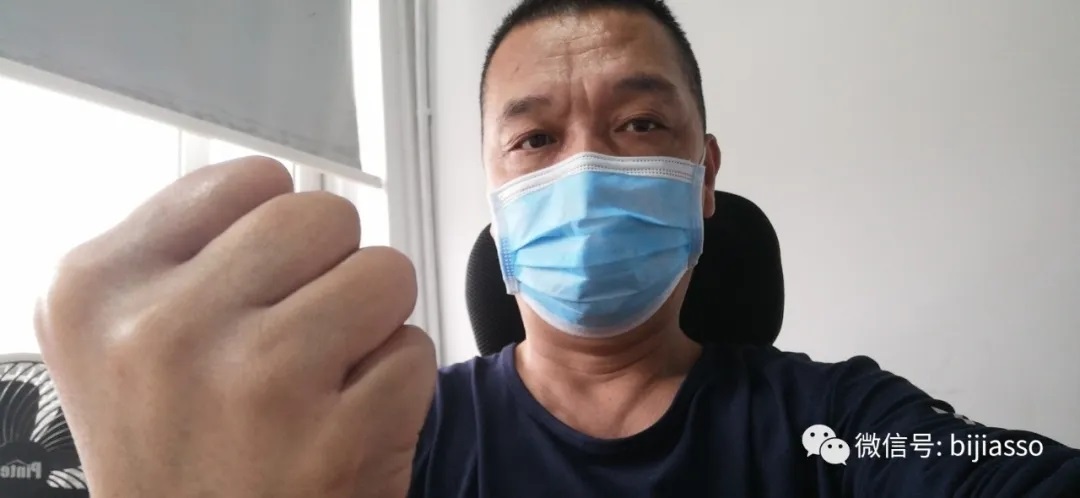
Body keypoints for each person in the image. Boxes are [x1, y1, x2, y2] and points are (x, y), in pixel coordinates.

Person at [33, 0, 1078, 497]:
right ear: (498, 196)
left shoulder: (836, 424)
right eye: (535, 138)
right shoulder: (396, 433)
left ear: (705, 177)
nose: (585, 168)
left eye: (640, 125)